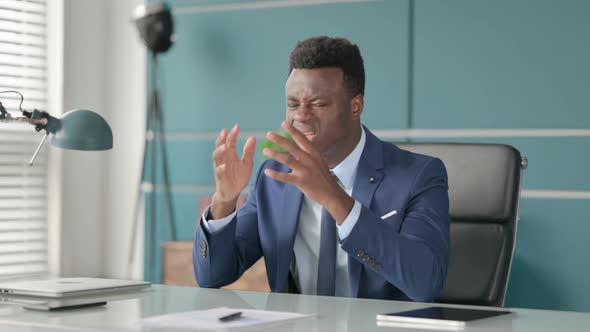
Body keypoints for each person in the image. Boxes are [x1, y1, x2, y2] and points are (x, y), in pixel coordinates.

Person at [193, 36, 450, 302]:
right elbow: (212, 276)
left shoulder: (419, 176)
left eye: (317, 104)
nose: (301, 116)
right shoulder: (275, 177)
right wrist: (223, 201)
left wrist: (332, 196)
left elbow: (425, 282)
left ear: (356, 106)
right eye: (293, 104)